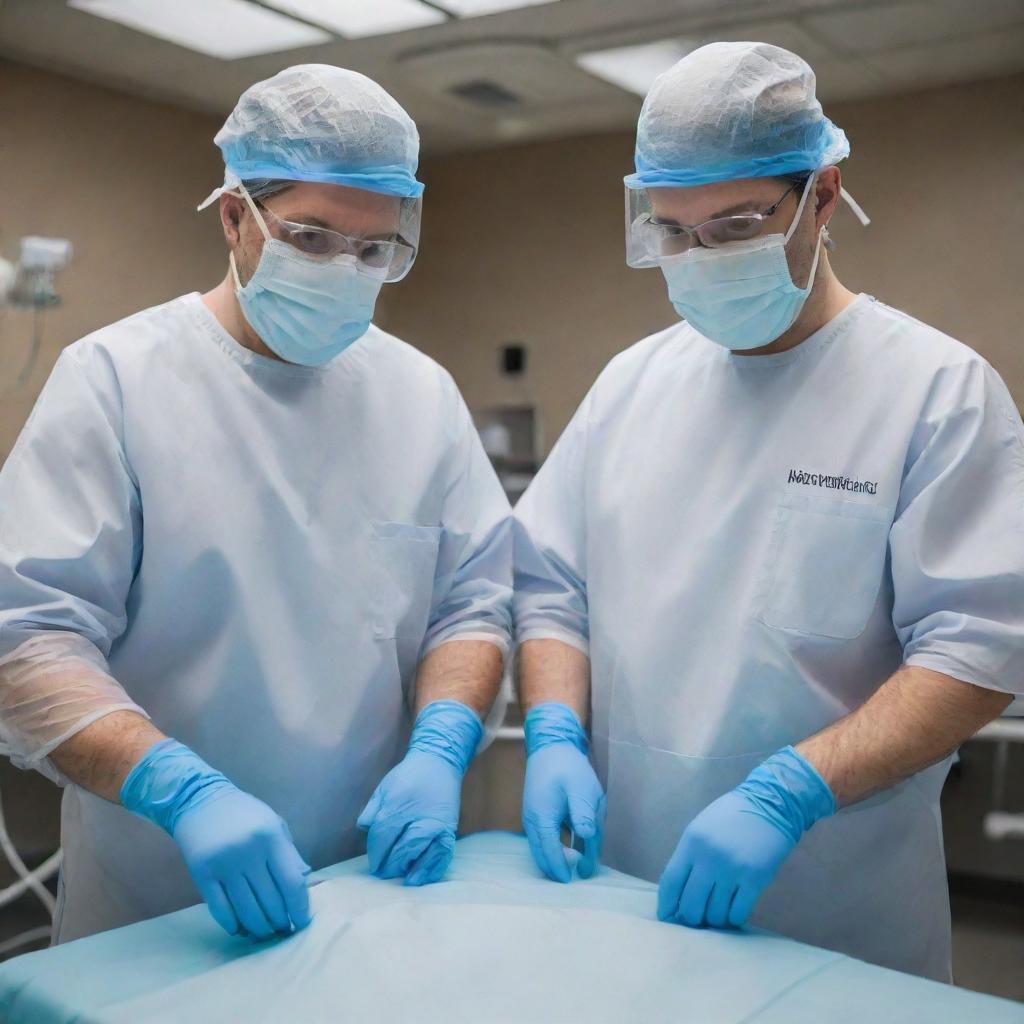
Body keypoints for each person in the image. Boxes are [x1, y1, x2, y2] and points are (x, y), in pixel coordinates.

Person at [514, 41, 1024, 981]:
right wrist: (550, 732)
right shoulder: (630, 385)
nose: (699, 257)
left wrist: (792, 792)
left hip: (834, 902)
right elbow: (550, 589)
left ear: (822, 197)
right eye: (673, 231)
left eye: (736, 225)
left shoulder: (935, 391)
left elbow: (980, 648)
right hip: (625, 886)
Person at [0, 64, 512, 944]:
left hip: (372, 885)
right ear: (235, 215)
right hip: (159, 902)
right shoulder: (117, 380)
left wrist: (440, 747)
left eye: (374, 250)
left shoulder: (420, 394)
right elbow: (25, 636)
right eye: (312, 238)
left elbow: (472, 603)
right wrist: (181, 792)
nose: (345, 272)